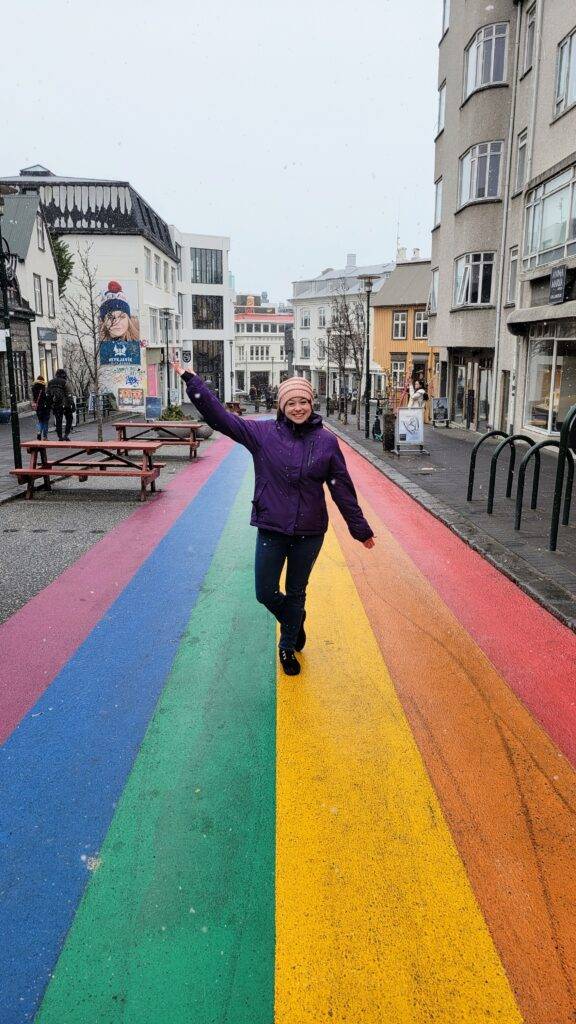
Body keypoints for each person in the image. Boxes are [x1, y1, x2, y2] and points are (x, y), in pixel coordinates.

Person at [171, 359, 375, 675]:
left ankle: (287, 646)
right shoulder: (262, 434)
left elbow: (341, 487)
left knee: (296, 590)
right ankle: (294, 618)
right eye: (291, 402)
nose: (298, 408)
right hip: (272, 527)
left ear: (311, 403)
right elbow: (220, 418)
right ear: (281, 406)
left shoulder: (326, 442)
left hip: (310, 531)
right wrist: (192, 381)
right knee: (265, 592)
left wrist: (360, 528)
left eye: (303, 401)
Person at [46, 368, 75, 441]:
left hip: (56, 404)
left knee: (58, 421)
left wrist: (50, 405)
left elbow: (48, 394)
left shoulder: (50, 382)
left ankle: (60, 436)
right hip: (66, 404)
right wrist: (72, 404)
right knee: (69, 418)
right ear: (64, 375)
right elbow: (69, 394)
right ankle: (66, 434)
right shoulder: (65, 382)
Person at [31, 375, 50, 440]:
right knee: (45, 422)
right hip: (44, 407)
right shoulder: (43, 388)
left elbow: (35, 398)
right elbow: (46, 398)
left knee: (40, 421)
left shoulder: (34, 388)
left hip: (38, 407)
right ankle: (45, 436)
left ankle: (39, 432)